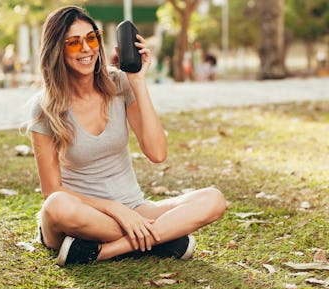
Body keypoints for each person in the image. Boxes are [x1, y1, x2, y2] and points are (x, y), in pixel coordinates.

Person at [27, 6, 226, 266]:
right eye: (74, 43)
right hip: (83, 216)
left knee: (213, 199)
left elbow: (157, 153)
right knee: (56, 205)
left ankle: (104, 251)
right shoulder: (44, 107)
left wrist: (138, 81)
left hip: (135, 208)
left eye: (91, 38)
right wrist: (114, 209)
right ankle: (161, 238)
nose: (86, 49)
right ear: (57, 50)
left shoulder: (119, 84)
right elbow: (52, 190)